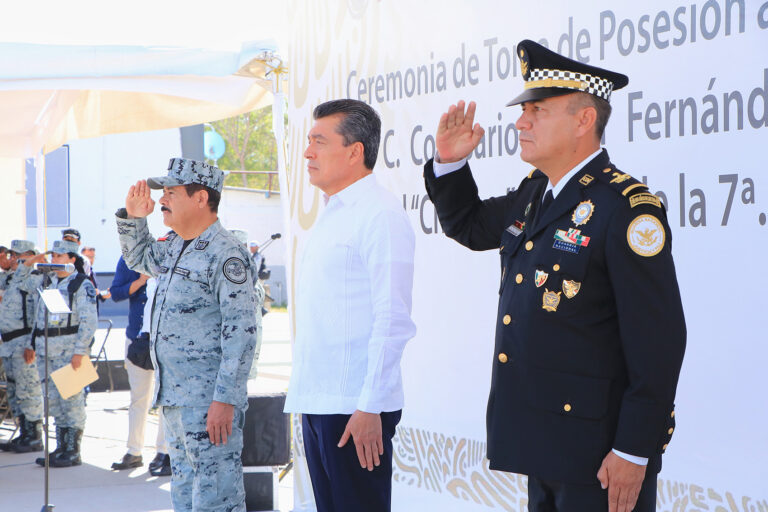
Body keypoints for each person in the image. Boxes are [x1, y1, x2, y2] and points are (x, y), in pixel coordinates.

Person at [422, 40, 687, 512]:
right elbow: (468, 225)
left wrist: (634, 448)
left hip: (601, 456)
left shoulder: (625, 208)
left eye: (537, 110)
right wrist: (450, 162)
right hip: (542, 445)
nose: (521, 121)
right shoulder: (535, 195)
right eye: (524, 110)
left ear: (584, 120)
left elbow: (659, 341)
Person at [284, 99, 416, 512]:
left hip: (355, 409)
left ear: (355, 151)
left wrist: (368, 405)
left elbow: (392, 319)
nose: (307, 152)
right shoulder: (333, 212)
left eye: (319, 142)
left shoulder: (379, 214)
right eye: (308, 141)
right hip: (319, 401)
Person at [116, 158, 261, 511]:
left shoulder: (225, 254)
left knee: (215, 496)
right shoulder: (175, 244)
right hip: (176, 397)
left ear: (201, 199)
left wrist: (225, 399)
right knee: (184, 490)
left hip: (209, 400)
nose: (162, 199)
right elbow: (139, 258)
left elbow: (242, 332)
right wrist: (135, 218)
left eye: (171, 192)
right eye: (162, 192)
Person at [19, 240, 98, 468]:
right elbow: (22, 283)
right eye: (53, 255)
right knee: (54, 402)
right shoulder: (47, 281)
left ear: (72, 259)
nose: (55, 259)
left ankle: (73, 451)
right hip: (46, 350)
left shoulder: (81, 285)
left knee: (72, 402)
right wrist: (33, 261)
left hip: (69, 351)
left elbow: (89, 321)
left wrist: (80, 352)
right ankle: (61, 448)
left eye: (60, 256)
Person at [108, 256, 169, 475]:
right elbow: (115, 293)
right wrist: (141, 280)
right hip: (137, 338)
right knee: (138, 399)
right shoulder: (129, 260)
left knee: (165, 399)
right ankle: (134, 451)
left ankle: (164, 451)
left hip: (165, 341)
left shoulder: (170, 255)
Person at [0, 240, 44, 453]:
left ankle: (34, 436)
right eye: (11, 254)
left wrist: (32, 343)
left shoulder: (34, 280)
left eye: (18, 254)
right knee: (15, 391)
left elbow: (38, 314)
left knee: (29, 391)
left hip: (23, 341)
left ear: (29, 255)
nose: (13, 258)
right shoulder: (8, 279)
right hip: (8, 343)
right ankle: (24, 433)